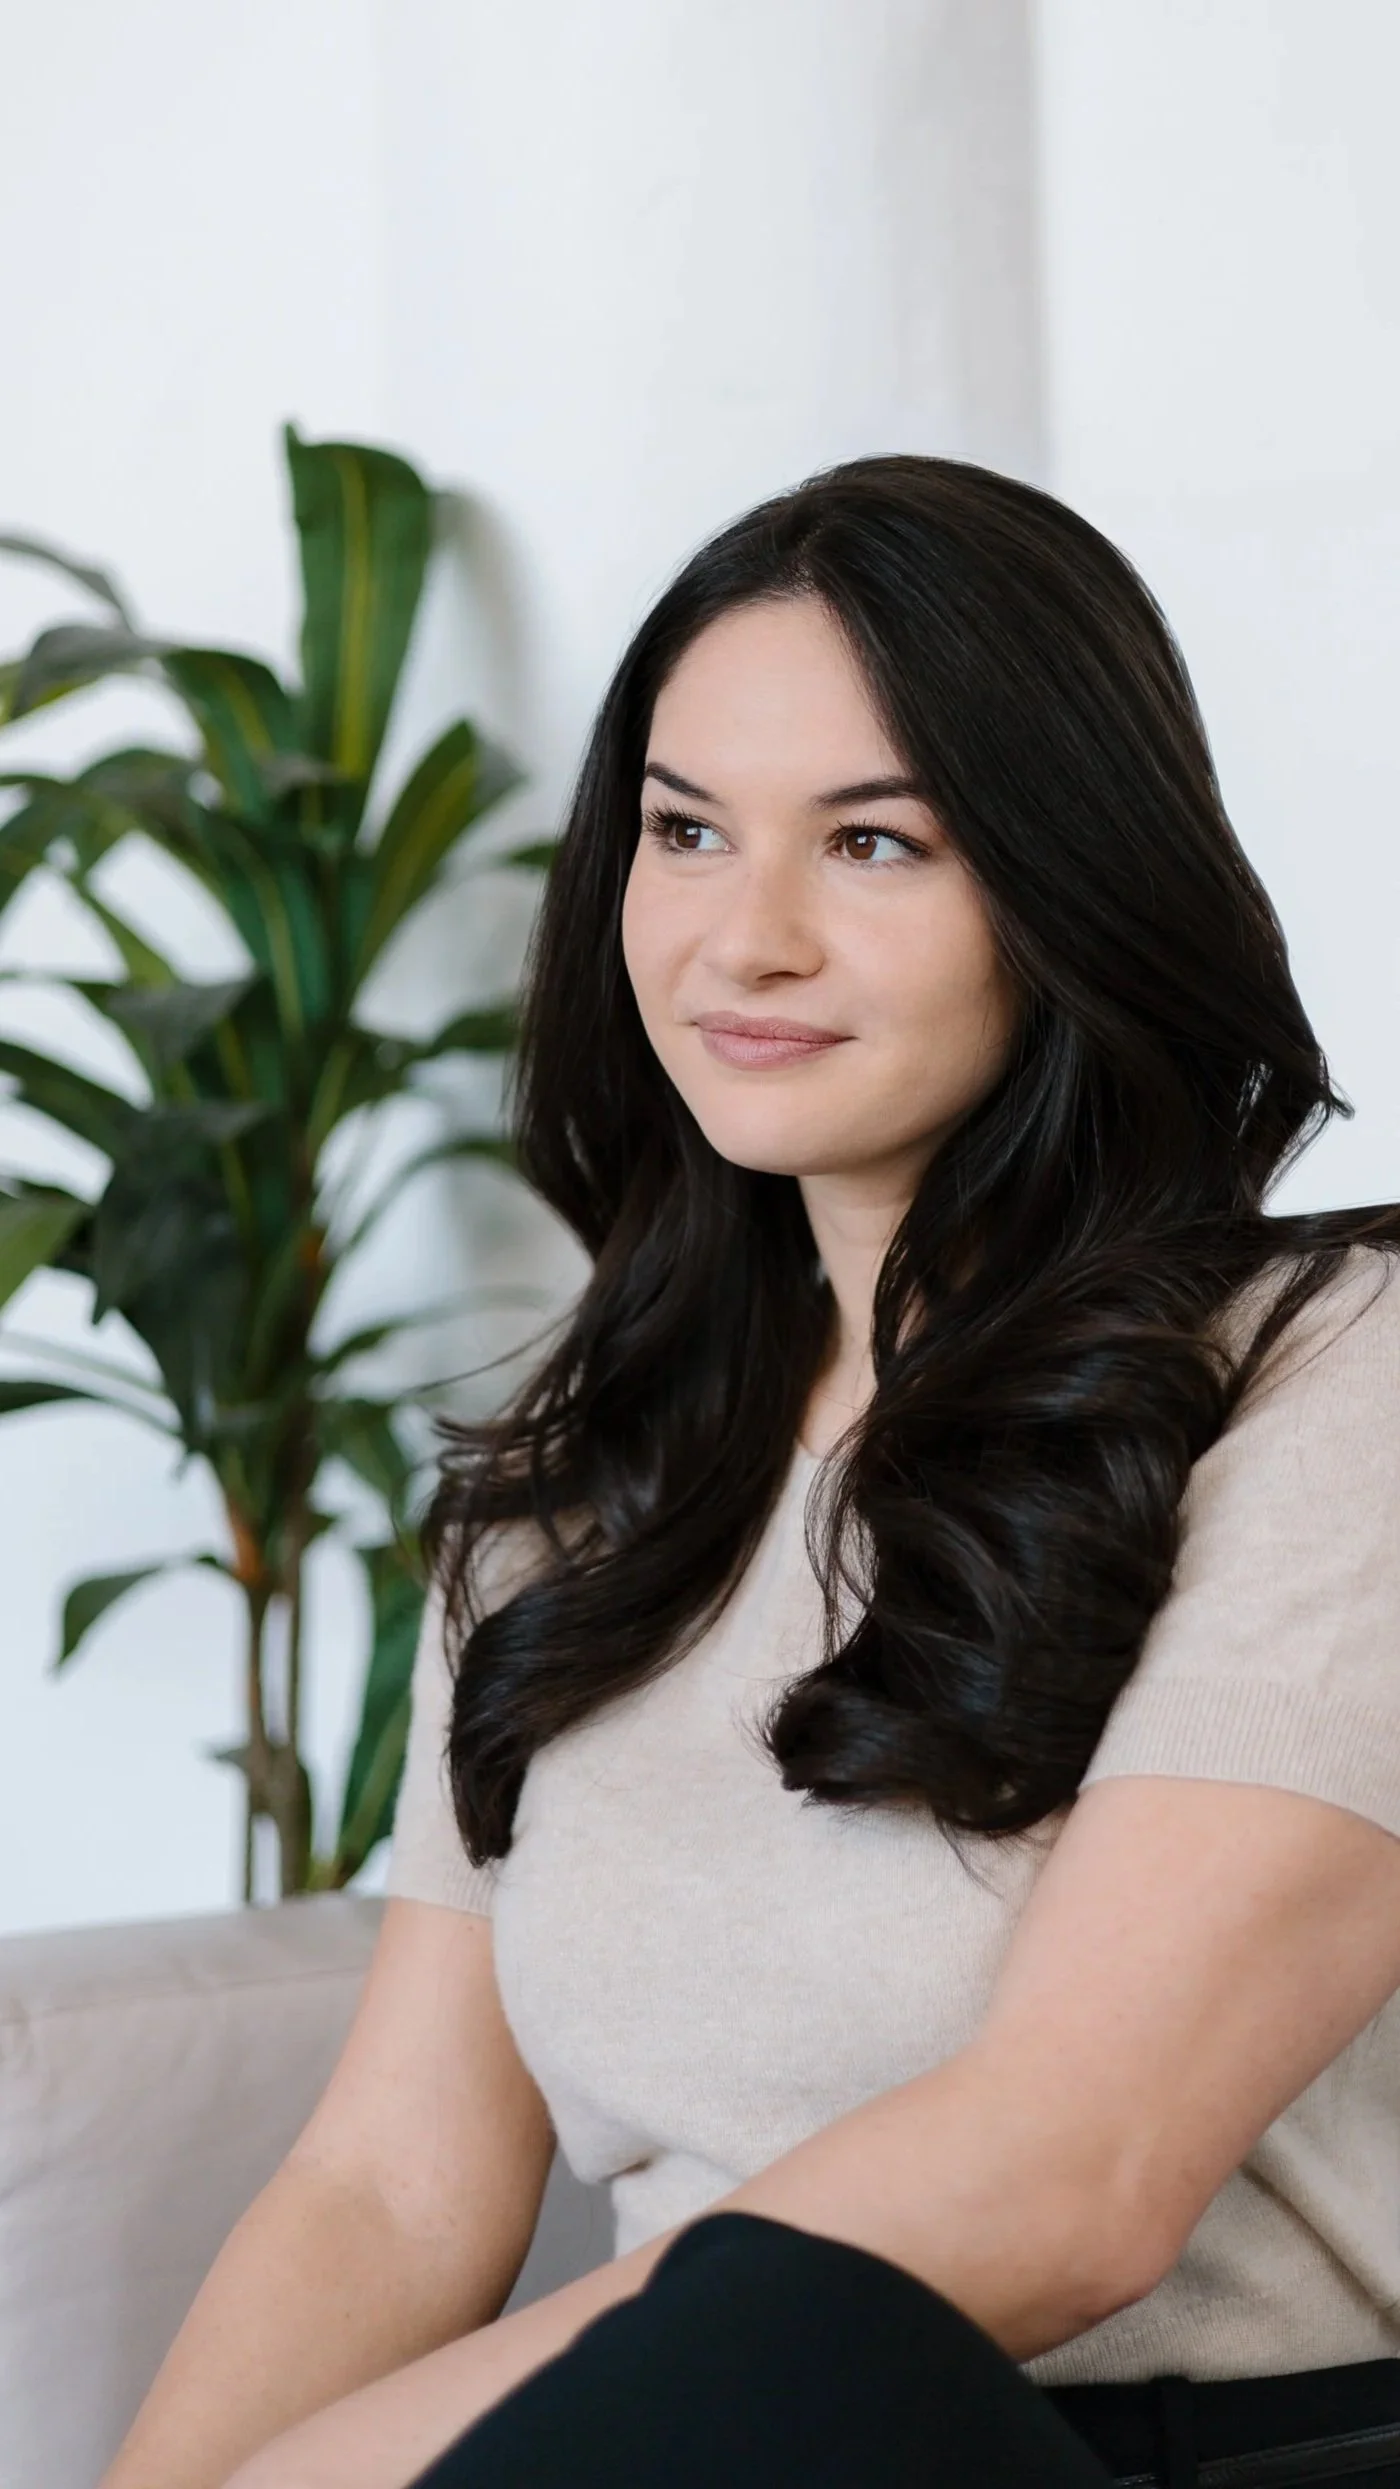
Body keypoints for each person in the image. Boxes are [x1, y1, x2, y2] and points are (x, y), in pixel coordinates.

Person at [102, 456, 1400, 2489]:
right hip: (674, 2449)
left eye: (873, 841)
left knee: (789, 2363)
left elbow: (1075, 2174)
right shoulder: (577, 1487)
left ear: (1072, 885)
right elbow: (388, 2181)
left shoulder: (1333, 1370)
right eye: (684, 829)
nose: (744, 936)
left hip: (1159, 2455)